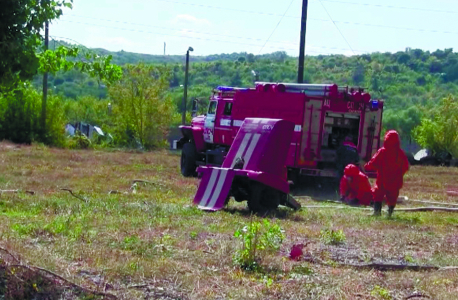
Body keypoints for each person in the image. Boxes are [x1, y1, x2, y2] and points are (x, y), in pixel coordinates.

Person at [364, 130, 409, 217]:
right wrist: (400, 174)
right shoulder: (399, 153)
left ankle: (377, 212)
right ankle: (389, 213)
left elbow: (373, 162)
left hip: (384, 179)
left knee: (378, 194)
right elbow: (405, 166)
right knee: (391, 196)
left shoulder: (383, 151)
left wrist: (367, 166)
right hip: (393, 180)